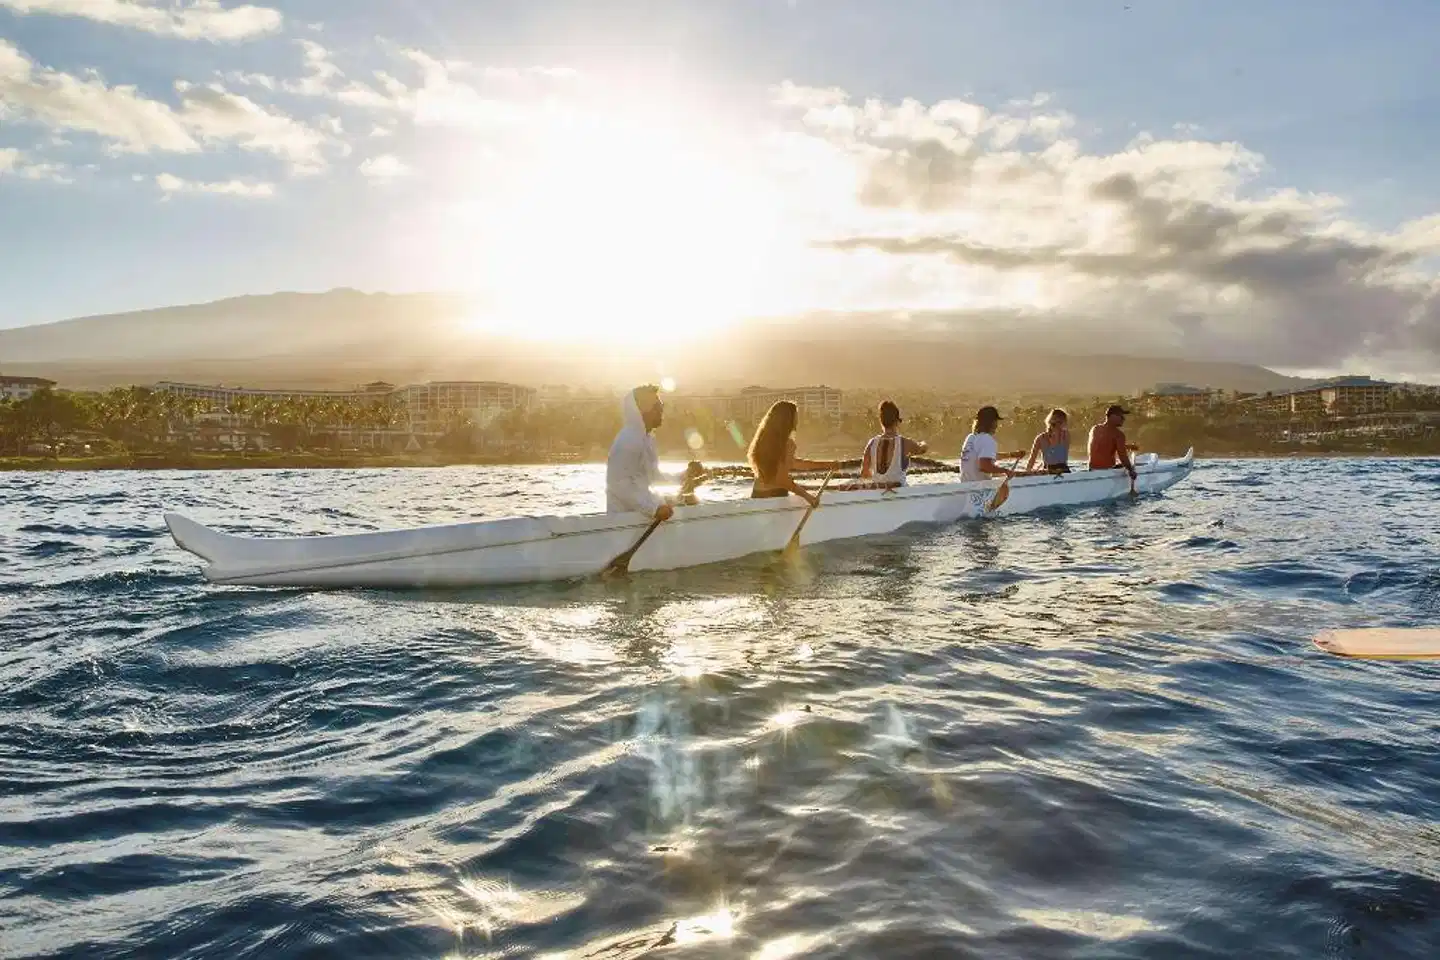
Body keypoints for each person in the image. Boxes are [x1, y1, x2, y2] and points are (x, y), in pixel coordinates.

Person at [605, 384, 706, 518]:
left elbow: (653, 476)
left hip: (640, 516)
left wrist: (683, 476)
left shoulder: (647, 438)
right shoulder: (628, 440)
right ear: (641, 409)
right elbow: (620, 486)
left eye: (661, 406)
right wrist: (654, 509)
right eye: (657, 406)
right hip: (624, 521)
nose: (661, 410)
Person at [747, 400, 840, 504]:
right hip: (775, 496)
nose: (797, 419)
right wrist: (808, 497)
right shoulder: (787, 444)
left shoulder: (762, 441)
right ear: (788, 419)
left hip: (757, 495)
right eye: (795, 415)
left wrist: (826, 465)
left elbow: (792, 463)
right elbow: (781, 478)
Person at [856, 400, 928, 488]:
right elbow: (922, 449)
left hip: (877, 494)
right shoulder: (905, 443)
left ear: (881, 422)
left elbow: (864, 474)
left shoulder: (871, 443)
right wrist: (923, 443)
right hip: (901, 494)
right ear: (897, 422)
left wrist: (880, 482)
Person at [960, 405, 1015, 482]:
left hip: (965, 484)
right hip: (978, 488)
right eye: (996, 421)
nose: (997, 425)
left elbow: (986, 456)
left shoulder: (971, 437)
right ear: (991, 422)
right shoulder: (987, 439)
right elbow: (984, 466)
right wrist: (1006, 471)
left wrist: (1012, 455)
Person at [1087, 403, 1138, 484]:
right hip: (1107, 472)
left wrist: (1127, 446)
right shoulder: (1118, 435)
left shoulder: (1095, 429)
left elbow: (1103, 445)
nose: (1123, 419)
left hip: (1092, 469)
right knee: (1127, 465)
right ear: (1112, 416)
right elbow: (1122, 456)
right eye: (1121, 416)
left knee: (1120, 464)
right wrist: (1131, 470)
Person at [1025, 408, 1071, 475]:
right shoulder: (1041, 438)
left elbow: (1031, 462)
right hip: (1055, 471)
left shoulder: (1065, 435)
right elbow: (1031, 461)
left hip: (1057, 471)